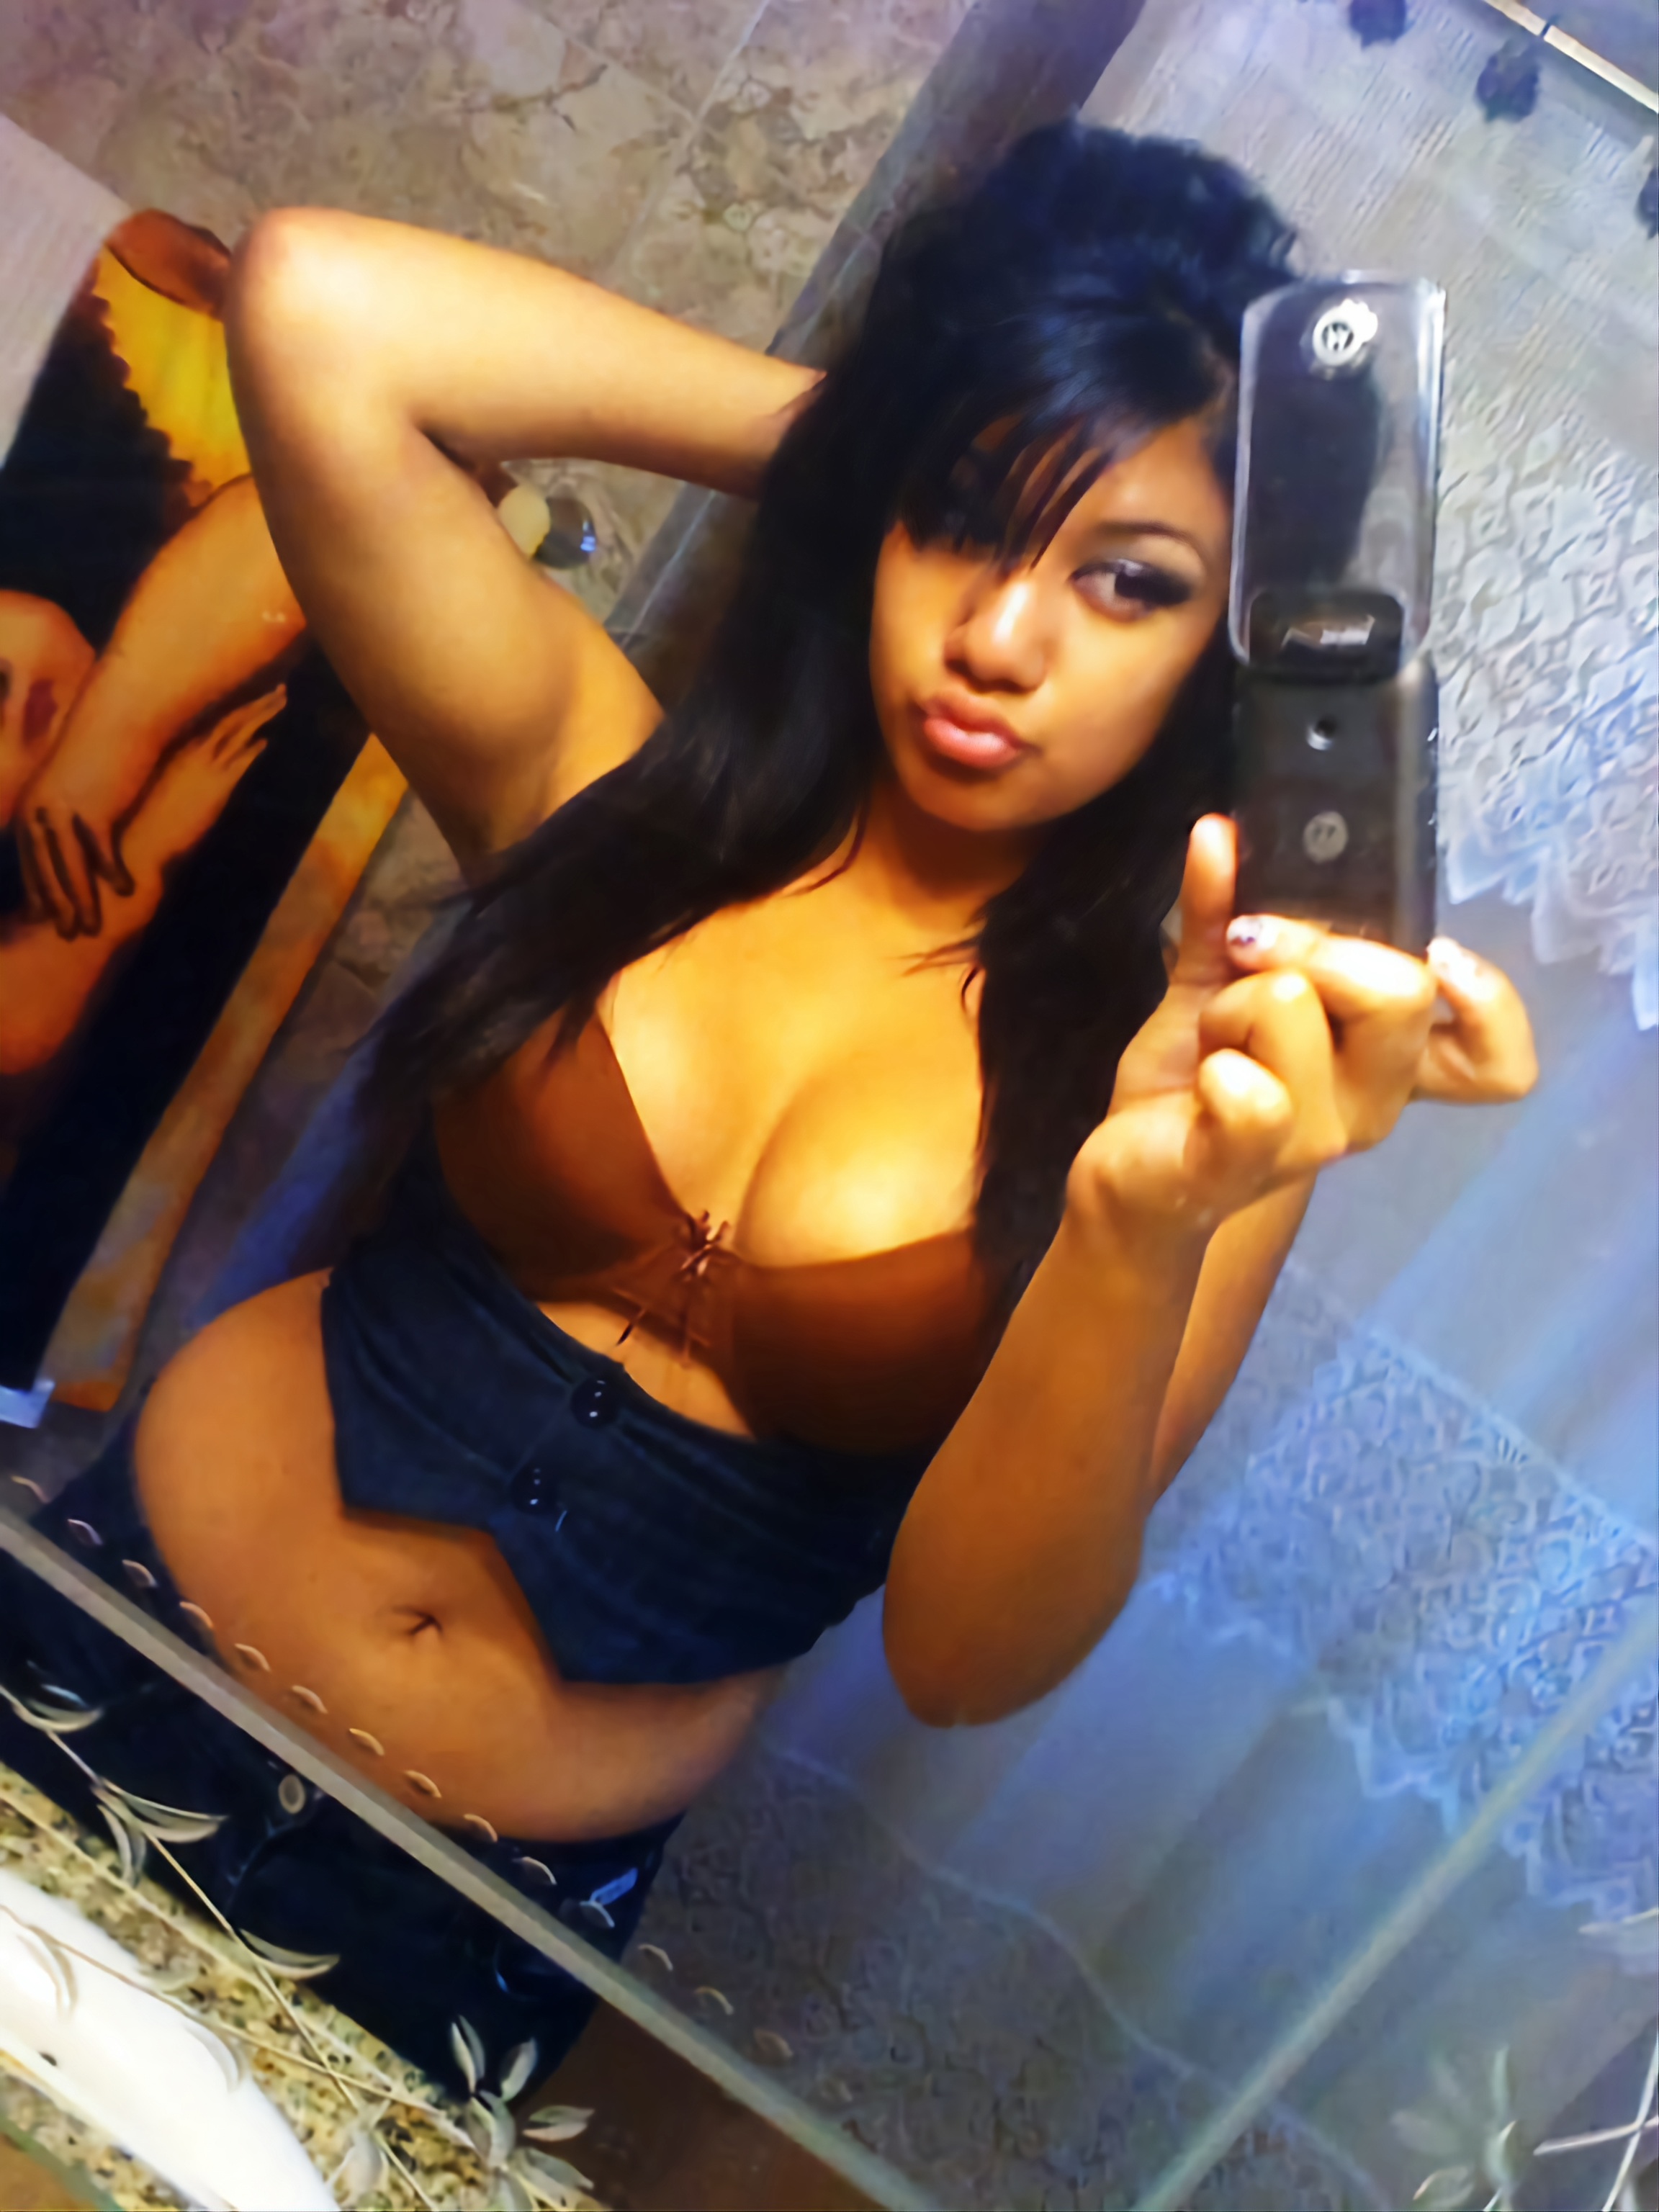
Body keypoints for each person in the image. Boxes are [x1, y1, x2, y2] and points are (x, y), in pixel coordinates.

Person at [0, 123, 1537, 2092]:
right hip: (101, 1629)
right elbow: (314, 305)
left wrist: (1136, 1221)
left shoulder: (1208, 1091)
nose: (1000, 638)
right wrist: (886, 428)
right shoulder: (600, 786)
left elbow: (967, 1660)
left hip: (448, 1916)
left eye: (1126, 582)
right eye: (960, 518)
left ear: (1219, 654)